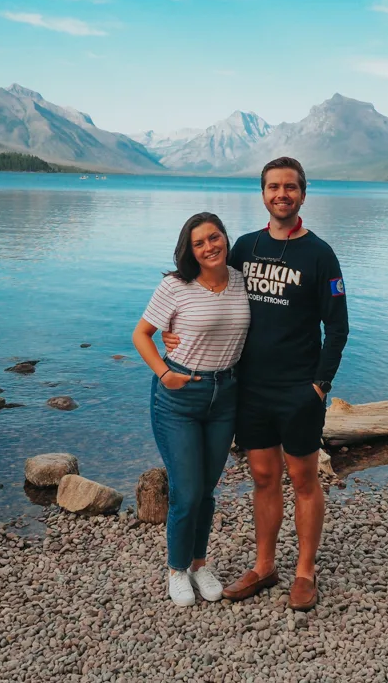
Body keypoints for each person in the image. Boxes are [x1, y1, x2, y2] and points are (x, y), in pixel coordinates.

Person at [163, 157, 349, 611]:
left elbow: (338, 326)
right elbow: (203, 283)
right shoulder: (244, 246)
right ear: (262, 194)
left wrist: (321, 385)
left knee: (304, 479)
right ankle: (265, 566)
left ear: (303, 193)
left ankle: (305, 572)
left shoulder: (320, 254)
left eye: (290, 187)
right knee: (264, 478)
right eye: (272, 187)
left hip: (299, 390)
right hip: (249, 390)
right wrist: (174, 329)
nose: (281, 194)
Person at [132, 212, 251, 607]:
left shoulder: (241, 280)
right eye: (199, 243)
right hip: (179, 397)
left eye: (214, 237)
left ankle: (200, 564)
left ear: (225, 238)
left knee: (208, 490)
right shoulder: (175, 285)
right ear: (191, 250)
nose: (209, 247)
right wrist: (164, 372)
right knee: (186, 490)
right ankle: (176, 570)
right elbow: (142, 334)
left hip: (226, 396)